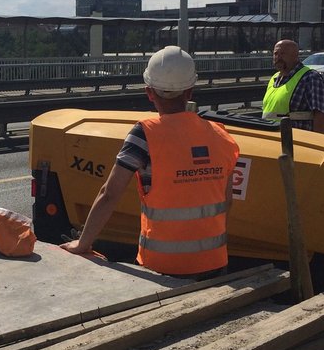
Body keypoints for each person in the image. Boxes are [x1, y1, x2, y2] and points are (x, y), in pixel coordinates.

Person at [61, 46, 240, 278]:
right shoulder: (221, 135)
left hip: (162, 267)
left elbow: (110, 194)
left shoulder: (144, 134)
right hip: (214, 262)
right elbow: (226, 201)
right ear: (190, 92)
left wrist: (82, 244)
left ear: (149, 92)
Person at [261, 39, 324, 133]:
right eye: (276, 54)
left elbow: (320, 114)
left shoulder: (310, 78)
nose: (278, 57)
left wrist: (318, 144)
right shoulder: (274, 78)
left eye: (283, 54)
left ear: (295, 56)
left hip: (296, 141)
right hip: (272, 139)